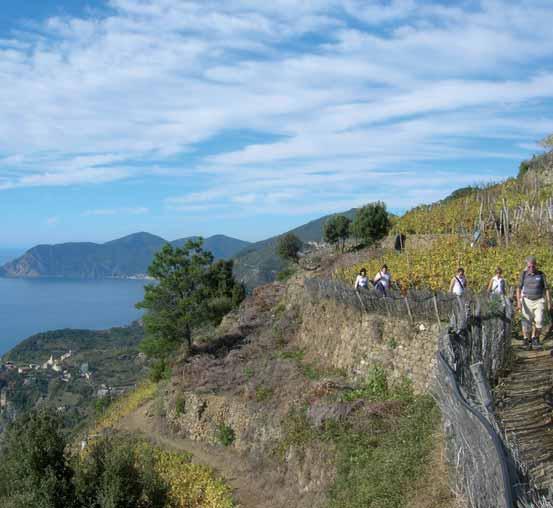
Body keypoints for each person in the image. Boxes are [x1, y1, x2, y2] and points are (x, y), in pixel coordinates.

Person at [516, 256, 551, 350]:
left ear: (536, 265)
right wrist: (519, 302)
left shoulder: (541, 274)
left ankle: (535, 339)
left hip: (539, 300)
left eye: (533, 266)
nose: (531, 268)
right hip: (526, 300)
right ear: (527, 266)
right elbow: (518, 288)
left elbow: (547, 289)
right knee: (526, 322)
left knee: (539, 320)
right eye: (529, 267)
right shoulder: (523, 274)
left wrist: (549, 302)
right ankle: (526, 340)